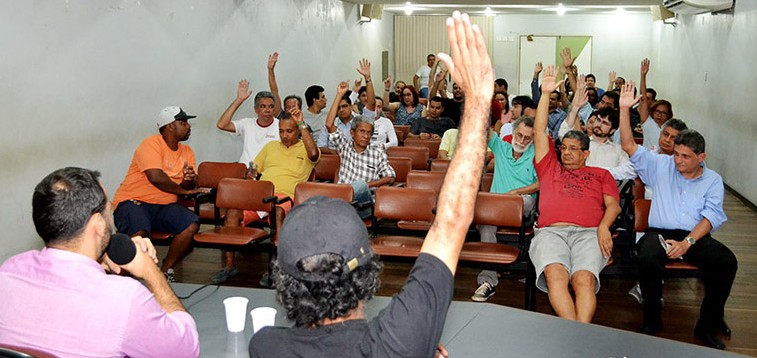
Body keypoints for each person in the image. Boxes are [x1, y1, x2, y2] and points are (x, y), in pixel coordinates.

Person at [248, 11, 492, 357]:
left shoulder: (265, 345)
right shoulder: (397, 341)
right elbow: (450, 224)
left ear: (284, 283)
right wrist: (480, 102)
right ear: (367, 275)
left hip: (361, 194)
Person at [0, 167, 199, 357]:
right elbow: (185, 350)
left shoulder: (8, 272)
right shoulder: (125, 298)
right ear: (99, 223)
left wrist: (97, 258)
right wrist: (150, 271)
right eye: (108, 209)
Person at [618, 81, 737, 350]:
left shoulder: (713, 180)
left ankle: (706, 325)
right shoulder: (661, 164)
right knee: (647, 256)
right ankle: (652, 320)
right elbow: (627, 144)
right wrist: (625, 110)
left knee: (726, 262)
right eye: (676, 154)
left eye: (685, 156)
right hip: (659, 233)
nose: (678, 160)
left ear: (701, 157)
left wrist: (687, 243)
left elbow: (710, 217)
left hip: (693, 236)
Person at [530, 66, 621, 323]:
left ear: (586, 153)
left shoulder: (601, 174)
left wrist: (604, 227)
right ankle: (578, 335)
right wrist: (546, 93)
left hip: (590, 233)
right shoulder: (549, 167)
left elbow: (613, 206)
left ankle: (579, 336)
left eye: (573, 149)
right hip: (551, 232)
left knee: (583, 280)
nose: (566, 152)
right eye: (564, 148)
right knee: (556, 276)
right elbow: (539, 132)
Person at [217, 107, 320, 281]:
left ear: (298, 131)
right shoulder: (271, 146)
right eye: (281, 131)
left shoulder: (305, 147)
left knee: (278, 210)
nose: (284, 135)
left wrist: (302, 123)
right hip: (261, 196)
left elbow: (314, 154)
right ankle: (229, 266)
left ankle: (276, 268)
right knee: (233, 211)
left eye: (289, 131)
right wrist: (251, 173)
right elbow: (254, 166)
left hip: (286, 198)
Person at [112, 106, 207, 282]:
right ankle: (121, 278)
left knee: (190, 224)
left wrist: (189, 179)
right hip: (133, 202)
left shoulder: (187, 151)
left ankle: (163, 271)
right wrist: (183, 190)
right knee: (139, 231)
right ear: (170, 126)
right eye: (183, 122)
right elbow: (156, 177)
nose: (188, 126)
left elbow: (191, 183)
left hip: (163, 206)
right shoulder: (150, 144)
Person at [472, 116, 539, 302]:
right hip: (496, 207)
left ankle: (483, 214)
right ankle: (488, 281)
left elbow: (541, 183)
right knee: (486, 225)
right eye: (519, 135)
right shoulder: (501, 147)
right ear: (513, 132)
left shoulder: (535, 154)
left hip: (522, 205)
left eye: (527, 138)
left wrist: (517, 192)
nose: (522, 140)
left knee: (523, 202)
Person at [326, 66, 396, 218]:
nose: (366, 136)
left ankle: (337, 206)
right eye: (362, 132)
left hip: (364, 202)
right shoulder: (344, 146)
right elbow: (329, 125)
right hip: (343, 198)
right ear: (352, 133)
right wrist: (339, 95)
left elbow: (390, 177)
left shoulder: (377, 151)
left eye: (369, 133)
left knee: (359, 185)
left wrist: (367, 186)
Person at [217, 80, 280, 166]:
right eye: (263, 106)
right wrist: (239, 100)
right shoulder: (247, 123)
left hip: (269, 172)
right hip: (246, 171)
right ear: (256, 109)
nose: (267, 110)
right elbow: (222, 125)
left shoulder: (280, 126)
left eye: (271, 107)